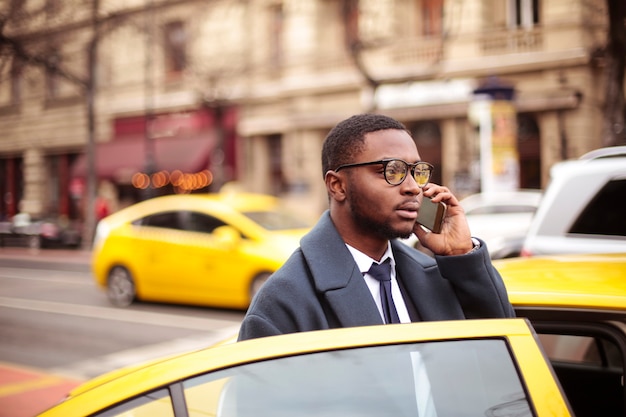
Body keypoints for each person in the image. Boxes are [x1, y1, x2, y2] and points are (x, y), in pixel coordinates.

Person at [238, 113, 515, 341]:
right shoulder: (283, 301)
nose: (412, 188)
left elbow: (497, 358)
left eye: (416, 171)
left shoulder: (434, 273)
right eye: (391, 171)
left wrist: (461, 256)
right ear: (338, 185)